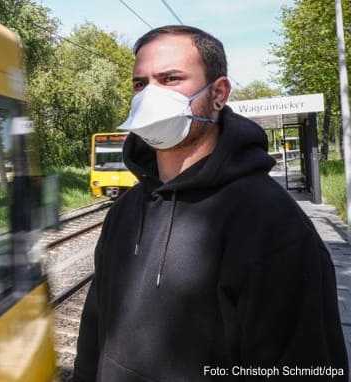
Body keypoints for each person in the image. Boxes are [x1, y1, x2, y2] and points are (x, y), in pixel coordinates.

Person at [73, 25, 348, 381]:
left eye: (170, 79)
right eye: (140, 84)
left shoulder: (273, 223)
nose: (149, 96)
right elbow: (94, 330)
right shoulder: (125, 210)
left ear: (219, 93)